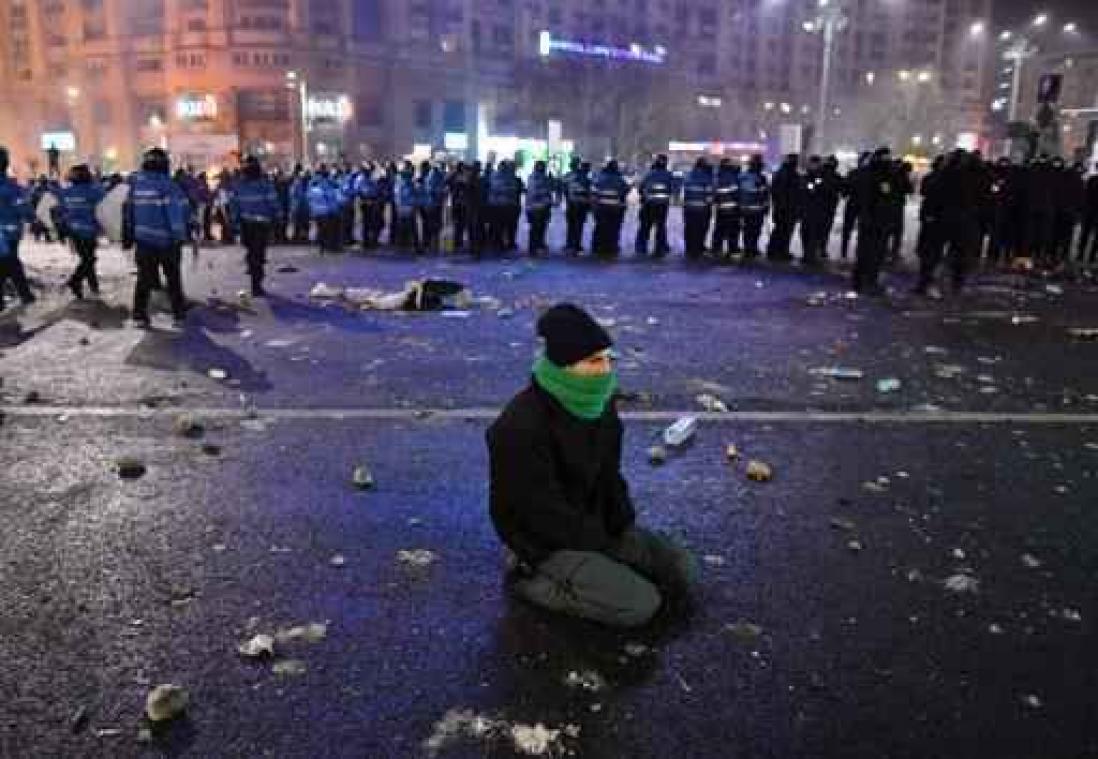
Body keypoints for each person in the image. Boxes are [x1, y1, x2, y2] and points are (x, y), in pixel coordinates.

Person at [486, 303, 698, 628]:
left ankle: (599, 568)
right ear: (564, 366)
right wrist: (601, 545)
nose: (605, 370)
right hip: (543, 540)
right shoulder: (519, 427)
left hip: (593, 523)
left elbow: (609, 474)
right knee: (640, 605)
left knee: (681, 569)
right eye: (594, 361)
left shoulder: (597, 405)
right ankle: (532, 580)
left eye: (608, 359)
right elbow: (537, 512)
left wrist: (621, 524)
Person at [122, 147, 190, 327]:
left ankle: (139, 315)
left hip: (143, 240)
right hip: (166, 241)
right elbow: (175, 214)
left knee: (143, 279)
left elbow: (128, 212)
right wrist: (180, 236)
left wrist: (129, 233)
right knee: (173, 279)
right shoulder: (168, 185)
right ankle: (179, 315)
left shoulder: (135, 185)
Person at [229, 155, 282, 296]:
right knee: (258, 253)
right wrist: (278, 216)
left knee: (253, 252)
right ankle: (256, 284)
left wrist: (234, 221)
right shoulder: (265, 184)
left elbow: (234, 205)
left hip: (246, 224)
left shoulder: (238, 185)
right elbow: (273, 202)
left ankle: (254, 274)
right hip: (261, 224)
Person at [56, 163, 105, 299]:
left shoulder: (65, 192)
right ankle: (75, 281)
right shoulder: (95, 191)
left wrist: (62, 229)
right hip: (88, 230)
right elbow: (104, 209)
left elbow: (61, 211)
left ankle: (93, 285)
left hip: (73, 230)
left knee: (86, 258)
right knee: (89, 259)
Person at [850, 147, 895, 295]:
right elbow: (885, 195)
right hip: (876, 220)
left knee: (865, 252)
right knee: (874, 253)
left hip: (870, 219)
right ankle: (869, 282)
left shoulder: (867, 173)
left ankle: (859, 281)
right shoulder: (881, 175)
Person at [0, 146, 36, 310]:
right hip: (9, 233)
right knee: (11, 262)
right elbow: (23, 209)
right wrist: (32, 218)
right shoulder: (12, 188)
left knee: (8, 263)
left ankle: (24, 294)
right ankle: (25, 294)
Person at [634, 154, 674, 257]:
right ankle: (660, 248)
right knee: (660, 226)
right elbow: (672, 189)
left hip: (648, 204)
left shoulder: (648, 174)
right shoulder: (669, 175)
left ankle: (641, 248)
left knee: (645, 226)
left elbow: (641, 188)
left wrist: (644, 196)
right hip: (662, 205)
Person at [767, 153, 802, 261]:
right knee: (783, 231)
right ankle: (778, 251)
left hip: (787, 208)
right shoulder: (786, 174)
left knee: (783, 231)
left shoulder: (788, 173)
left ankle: (778, 250)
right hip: (786, 209)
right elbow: (779, 192)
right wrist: (782, 207)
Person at [591, 160, 629, 258]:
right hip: (615, 208)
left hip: (601, 207)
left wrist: (594, 205)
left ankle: (598, 247)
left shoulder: (600, 177)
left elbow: (593, 191)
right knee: (614, 229)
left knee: (600, 228)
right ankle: (612, 248)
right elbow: (625, 190)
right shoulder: (620, 179)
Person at [738, 154, 770, 259]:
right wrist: (766, 207)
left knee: (750, 230)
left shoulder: (743, 176)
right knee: (753, 230)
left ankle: (750, 249)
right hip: (755, 209)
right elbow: (764, 194)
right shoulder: (760, 178)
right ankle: (750, 249)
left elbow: (764, 193)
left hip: (747, 209)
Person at [681, 158, 713, 260]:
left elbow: (683, 193)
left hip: (689, 207)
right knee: (700, 230)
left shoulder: (688, 175)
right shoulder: (707, 177)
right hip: (702, 209)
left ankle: (689, 249)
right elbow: (709, 196)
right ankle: (697, 249)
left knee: (689, 229)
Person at [710, 158, 741, 260]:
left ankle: (716, 249)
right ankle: (732, 250)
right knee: (733, 231)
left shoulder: (717, 176)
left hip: (721, 208)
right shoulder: (732, 176)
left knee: (719, 230)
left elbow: (715, 194)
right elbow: (736, 193)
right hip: (732, 208)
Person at [840, 152, 870, 259]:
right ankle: (858, 251)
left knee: (849, 228)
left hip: (855, 203)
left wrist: (845, 192)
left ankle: (845, 251)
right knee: (862, 229)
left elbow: (845, 189)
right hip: (864, 204)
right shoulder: (871, 174)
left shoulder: (853, 173)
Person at [563, 158, 592, 255]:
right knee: (579, 225)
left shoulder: (567, 176)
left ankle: (569, 244)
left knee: (571, 225)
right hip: (581, 204)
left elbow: (564, 189)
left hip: (571, 203)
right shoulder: (584, 177)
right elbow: (588, 191)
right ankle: (576, 245)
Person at [525, 160, 554, 255]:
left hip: (540, 207)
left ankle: (538, 244)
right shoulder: (535, 178)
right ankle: (533, 247)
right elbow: (535, 192)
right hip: (536, 207)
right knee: (536, 228)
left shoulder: (542, 177)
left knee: (541, 227)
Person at [1079, 162, 1098, 265]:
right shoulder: (1092, 180)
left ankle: (1088, 256)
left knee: (1089, 236)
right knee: (1086, 235)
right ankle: (1084, 255)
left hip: (1091, 211)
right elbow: (1085, 196)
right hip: (1090, 211)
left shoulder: (1092, 180)